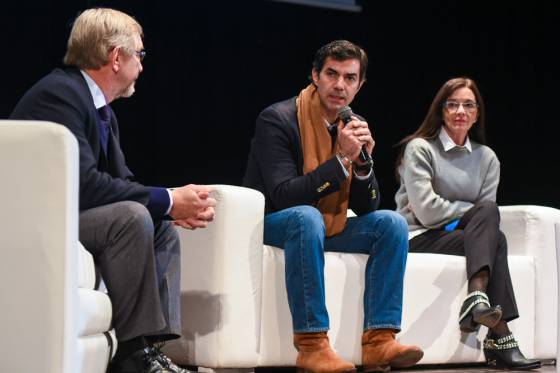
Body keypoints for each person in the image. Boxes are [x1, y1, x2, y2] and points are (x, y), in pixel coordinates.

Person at [10, 8, 215, 373]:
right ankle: (134, 355)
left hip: (71, 214)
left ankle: (152, 349)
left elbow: (122, 182)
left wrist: (171, 206)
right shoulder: (61, 94)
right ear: (115, 57)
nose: (142, 64)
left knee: (158, 224)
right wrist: (167, 200)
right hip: (35, 220)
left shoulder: (99, 107)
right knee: (133, 216)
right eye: (139, 54)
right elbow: (84, 183)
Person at [243, 40, 423, 373]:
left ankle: (379, 341)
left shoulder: (352, 124)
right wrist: (342, 159)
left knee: (391, 224)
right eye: (332, 74)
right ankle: (312, 345)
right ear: (315, 75)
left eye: (350, 78)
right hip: (272, 224)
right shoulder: (279, 119)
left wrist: (364, 165)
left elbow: (368, 207)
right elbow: (283, 195)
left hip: (322, 226)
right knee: (306, 217)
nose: (340, 85)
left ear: (360, 85)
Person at [394, 77, 541, 370]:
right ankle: (499, 335)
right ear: (441, 111)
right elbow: (427, 213)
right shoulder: (420, 149)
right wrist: (468, 212)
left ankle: (480, 306)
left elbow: (483, 215)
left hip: (458, 236)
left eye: (468, 105)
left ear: (476, 115)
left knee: (492, 230)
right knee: (493, 234)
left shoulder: (487, 159)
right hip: (417, 235)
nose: (460, 110)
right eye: (452, 104)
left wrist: (463, 212)